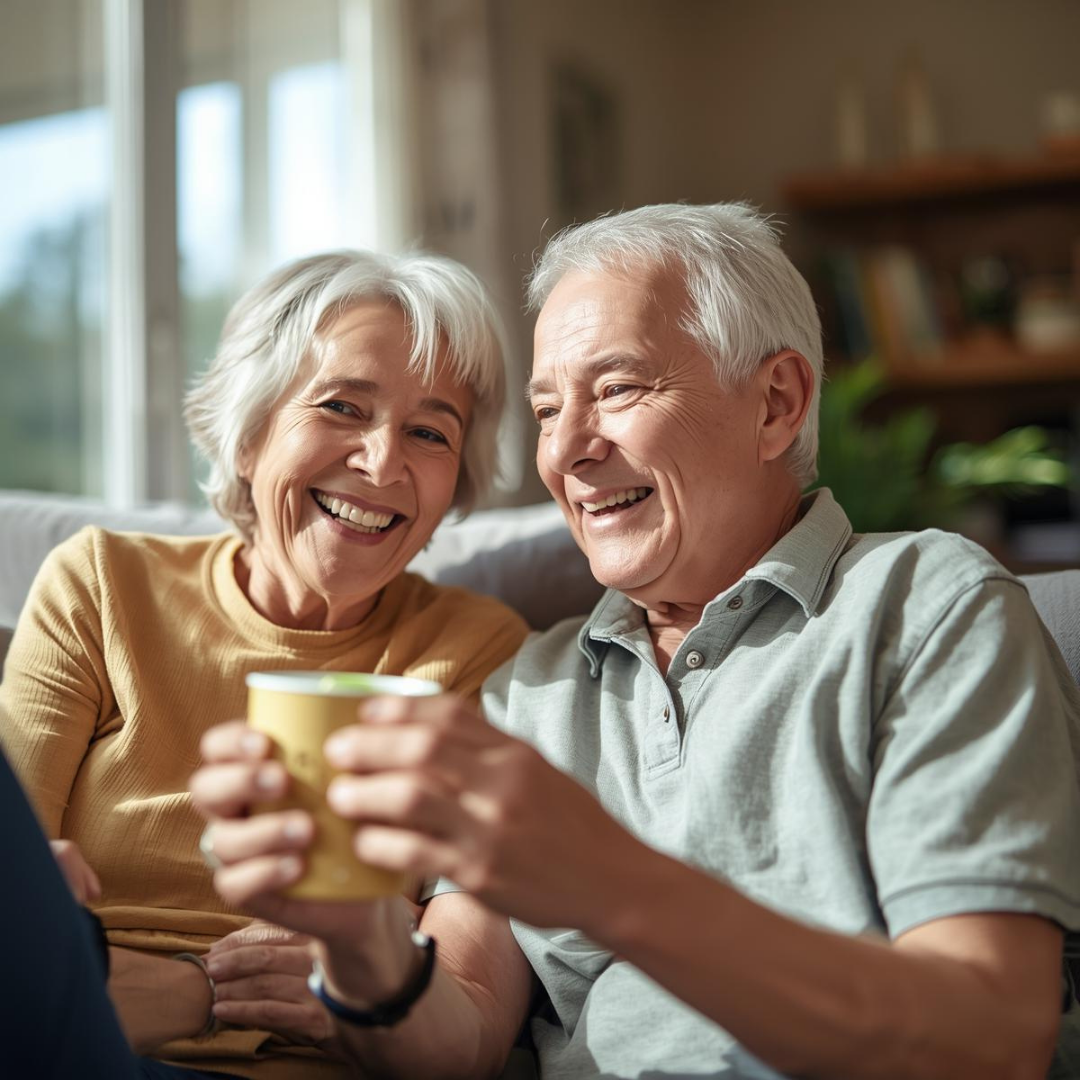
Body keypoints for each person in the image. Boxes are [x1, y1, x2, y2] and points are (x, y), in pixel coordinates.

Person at [189, 204, 1080, 1080]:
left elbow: (989, 1040)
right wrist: (362, 943)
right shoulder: (530, 689)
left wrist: (608, 879)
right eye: (547, 410)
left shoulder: (926, 607)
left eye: (616, 389)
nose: (566, 452)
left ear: (777, 404)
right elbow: (463, 1032)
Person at [0, 249, 529, 1079]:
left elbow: (463, 1006)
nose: (382, 462)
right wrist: (202, 990)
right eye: (342, 406)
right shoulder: (101, 584)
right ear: (248, 437)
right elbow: (15, 896)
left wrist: (358, 973)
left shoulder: (478, 653)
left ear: (454, 485)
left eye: (430, 432)